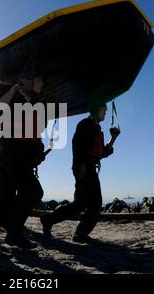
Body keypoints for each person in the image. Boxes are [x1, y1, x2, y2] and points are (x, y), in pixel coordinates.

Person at [0, 77, 47, 249]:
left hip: (21, 152)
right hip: (12, 151)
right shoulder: (14, 98)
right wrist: (16, 88)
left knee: (6, 196)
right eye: (35, 81)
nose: (39, 83)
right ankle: (14, 233)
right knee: (33, 191)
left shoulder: (35, 102)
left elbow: (39, 126)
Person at [40, 102, 120, 243]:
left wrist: (113, 138)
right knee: (95, 203)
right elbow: (77, 144)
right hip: (84, 168)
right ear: (97, 110)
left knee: (79, 205)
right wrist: (80, 165)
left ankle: (48, 220)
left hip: (88, 167)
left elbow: (101, 152)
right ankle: (80, 234)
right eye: (104, 110)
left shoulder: (95, 127)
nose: (106, 113)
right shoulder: (85, 124)